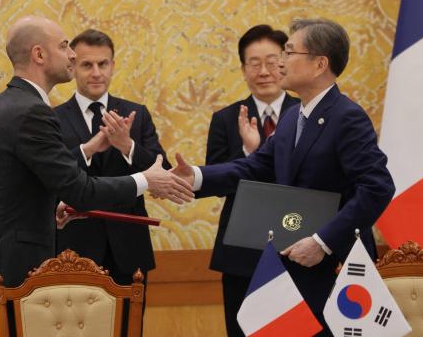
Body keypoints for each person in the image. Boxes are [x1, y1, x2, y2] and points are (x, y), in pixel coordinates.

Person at [0, 16, 193, 337]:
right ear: (39, 55)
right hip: (11, 276)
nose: (71, 55)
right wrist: (146, 180)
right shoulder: (33, 111)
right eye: (64, 46)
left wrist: (42, 207)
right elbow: (79, 190)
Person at [173, 18, 394, 336]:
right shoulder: (293, 117)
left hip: (336, 270)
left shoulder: (347, 117)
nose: (280, 61)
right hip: (293, 266)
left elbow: (378, 187)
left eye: (289, 52)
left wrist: (323, 242)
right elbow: (252, 168)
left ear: (319, 64)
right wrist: (193, 176)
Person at [201, 24, 299, 337]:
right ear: (243, 69)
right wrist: (248, 152)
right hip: (241, 246)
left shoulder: (307, 114)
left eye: (272, 61)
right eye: (254, 63)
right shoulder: (225, 119)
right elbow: (216, 182)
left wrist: (259, 152)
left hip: (297, 241)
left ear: (285, 63)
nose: (264, 71)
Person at [54, 28, 164, 289]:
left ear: (113, 66)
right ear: (72, 66)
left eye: (103, 64)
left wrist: (128, 146)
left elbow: (163, 171)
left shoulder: (137, 113)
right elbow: (51, 177)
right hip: (73, 249)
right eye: (86, 65)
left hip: (129, 249)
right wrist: (89, 149)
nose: (96, 72)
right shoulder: (53, 118)